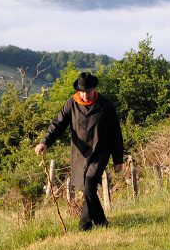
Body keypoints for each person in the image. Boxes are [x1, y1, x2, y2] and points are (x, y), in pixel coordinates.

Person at [35, 72, 124, 231]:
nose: (84, 95)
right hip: (80, 154)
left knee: (89, 182)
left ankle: (84, 225)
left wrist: (118, 159)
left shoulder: (106, 106)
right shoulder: (72, 103)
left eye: (88, 91)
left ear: (94, 89)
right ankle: (102, 222)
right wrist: (45, 142)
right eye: (82, 92)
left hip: (100, 152)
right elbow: (57, 125)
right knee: (86, 188)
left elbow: (116, 133)